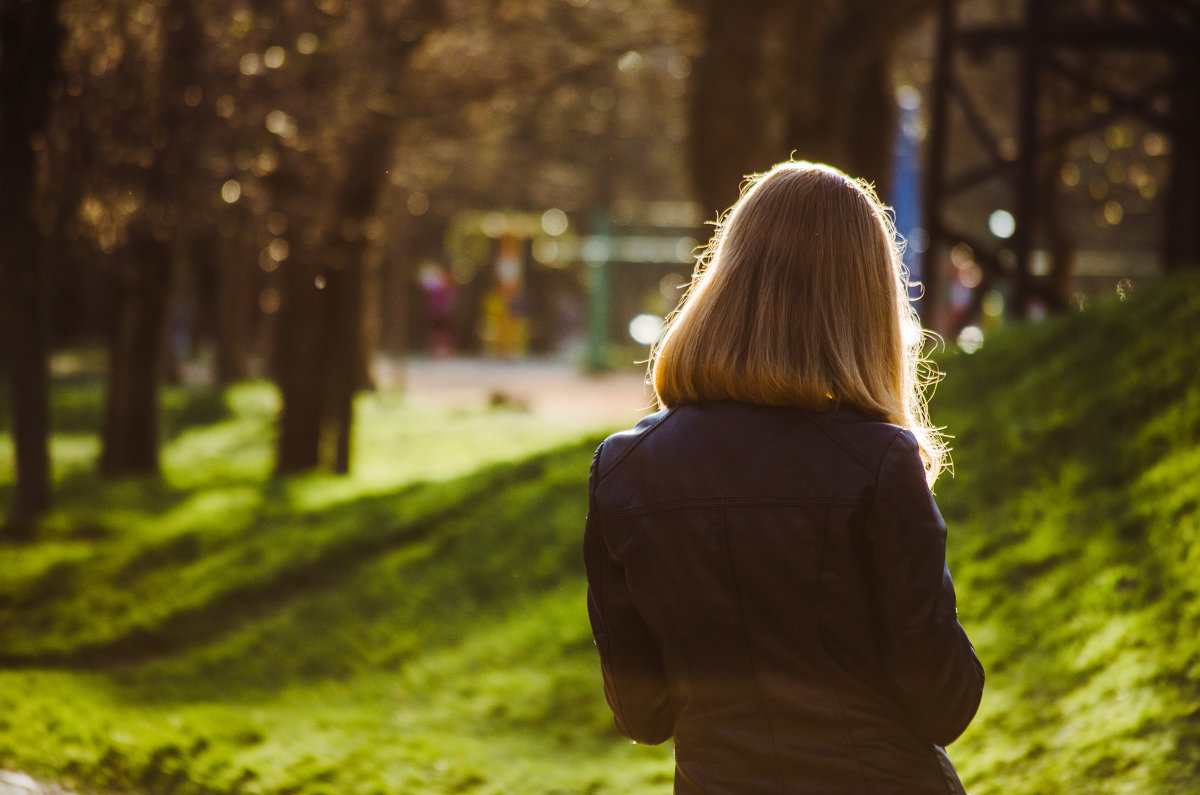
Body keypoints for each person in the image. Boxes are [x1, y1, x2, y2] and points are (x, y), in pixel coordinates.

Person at [583, 161, 984, 794]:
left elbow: (644, 713)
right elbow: (945, 703)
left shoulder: (625, 468)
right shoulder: (878, 461)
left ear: (725, 277)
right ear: (865, 303)